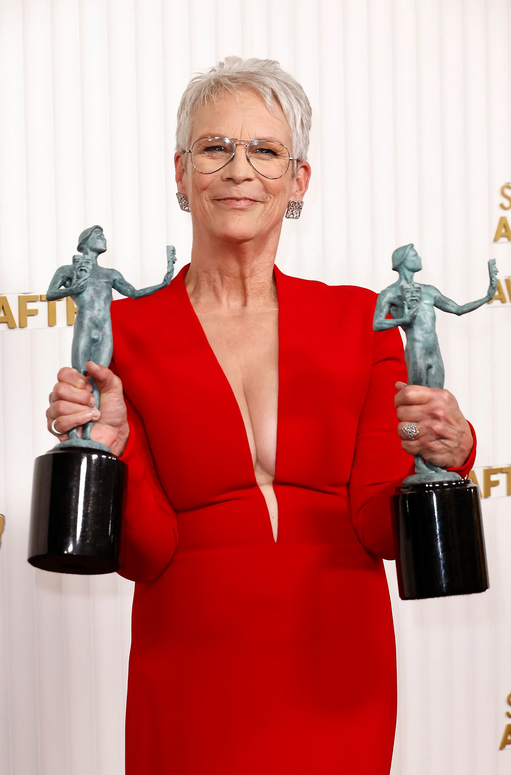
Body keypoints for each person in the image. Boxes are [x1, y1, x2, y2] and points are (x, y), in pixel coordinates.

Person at [46, 57, 476, 774]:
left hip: (337, 674)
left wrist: (446, 450)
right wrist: (111, 446)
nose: (239, 170)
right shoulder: (123, 333)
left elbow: (381, 527)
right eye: (215, 147)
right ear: (181, 172)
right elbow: (145, 553)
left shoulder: (360, 321)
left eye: (266, 150)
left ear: (298, 179)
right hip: (189, 677)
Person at [46, 225, 175, 441]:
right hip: (85, 325)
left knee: (98, 379)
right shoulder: (68, 270)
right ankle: (74, 434)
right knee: (80, 380)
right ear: (84, 242)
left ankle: (89, 434)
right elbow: (50, 293)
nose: (103, 239)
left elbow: (134, 293)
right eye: (98, 235)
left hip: (105, 329)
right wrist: (72, 290)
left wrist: (164, 282)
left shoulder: (110, 274)